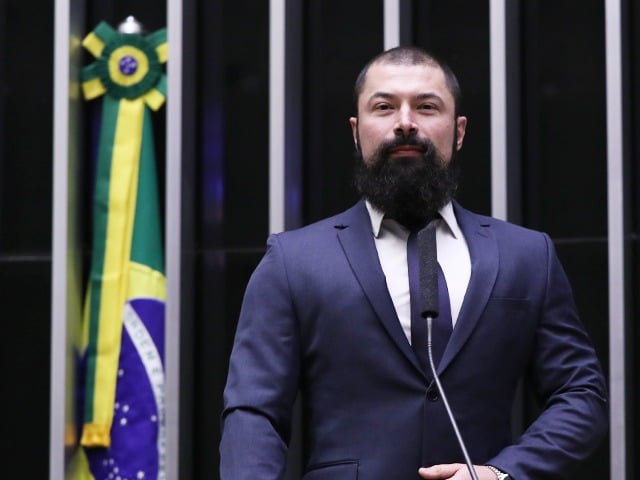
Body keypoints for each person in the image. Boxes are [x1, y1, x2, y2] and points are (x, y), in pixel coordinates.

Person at [219, 46, 608, 480]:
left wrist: (503, 473)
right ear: (356, 130)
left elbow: (581, 394)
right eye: (384, 107)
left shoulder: (528, 255)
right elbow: (254, 412)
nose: (405, 123)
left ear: (459, 131)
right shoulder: (293, 261)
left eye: (426, 107)